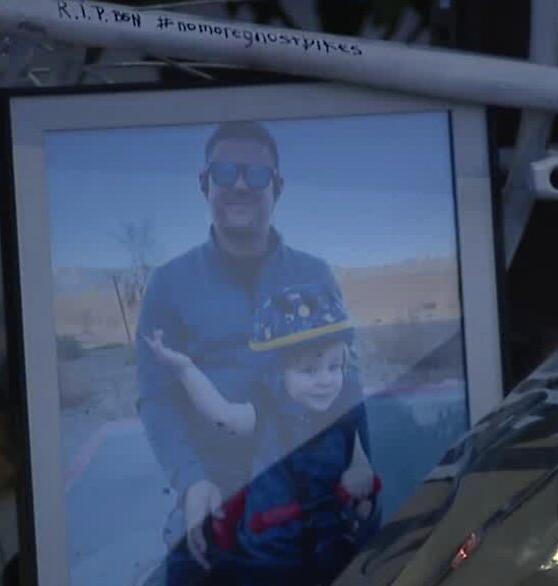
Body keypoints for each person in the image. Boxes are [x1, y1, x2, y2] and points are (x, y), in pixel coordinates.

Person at [134, 120, 369, 585]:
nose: (240, 185)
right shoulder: (169, 284)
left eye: (257, 175)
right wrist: (190, 480)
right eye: (225, 172)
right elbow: (157, 397)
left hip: (314, 477)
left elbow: (350, 377)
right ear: (205, 183)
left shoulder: (315, 273)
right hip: (218, 484)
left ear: (276, 188)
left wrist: (360, 459)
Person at [144, 282, 381, 586]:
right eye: (309, 371)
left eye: (334, 367)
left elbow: (361, 460)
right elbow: (221, 414)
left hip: (328, 544)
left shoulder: (344, 414)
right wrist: (184, 369)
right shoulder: (266, 413)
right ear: (276, 374)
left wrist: (360, 475)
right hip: (266, 554)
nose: (325, 381)